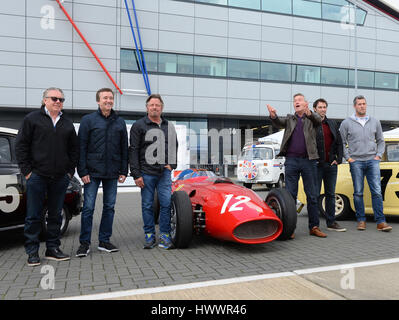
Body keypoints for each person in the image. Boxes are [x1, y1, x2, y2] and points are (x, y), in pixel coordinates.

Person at [15, 87, 79, 266]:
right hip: (37, 176)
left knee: (55, 216)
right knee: (33, 215)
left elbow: (74, 149)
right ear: (45, 100)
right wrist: (27, 171)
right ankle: (32, 252)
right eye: (54, 99)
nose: (58, 102)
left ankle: (53, 248)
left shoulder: (66, 123)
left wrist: (69, 172)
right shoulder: (32, 119)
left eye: (61, 99)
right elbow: (21, 146)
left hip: (60, 178)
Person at [76, 88, 128, 257]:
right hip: (91, 172)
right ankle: (84, 243)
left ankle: (104, 241)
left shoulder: (119, 122)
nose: (108, 100)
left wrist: (123, 170)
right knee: (89, 208)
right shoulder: (88, 120)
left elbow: (124, 149)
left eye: (111, 98)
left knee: (109, 207)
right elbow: (81, 147)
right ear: (98, 101)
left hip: (112, 172)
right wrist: (82, 170)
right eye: (105, 98)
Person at [267, 93, 326, 238]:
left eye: (299, 100)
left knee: (312, 195)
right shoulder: (290, 119)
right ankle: (290, 228)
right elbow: (278, 122)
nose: (296, 102)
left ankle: (314, 227)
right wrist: (273, 116)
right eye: (295, 101)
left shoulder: (312, 119)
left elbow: (318, 119)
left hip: (309, 161)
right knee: (290, 196)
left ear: (306, 103)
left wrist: (309, 113)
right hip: (292, 161)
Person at [129, 94, 178, 249]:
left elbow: (174, 146)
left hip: (164, 173)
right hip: (146, 173)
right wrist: (136, 174)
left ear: (161, 107)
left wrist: (172, 164)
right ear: (147, 107)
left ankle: (164, 235)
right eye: (152, 105)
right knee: (147, 205)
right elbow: (134, 150)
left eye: (157, 105)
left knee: (166, 203)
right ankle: (149, 235)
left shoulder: (168, 126)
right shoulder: (139, 126)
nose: (154, 107)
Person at [339, 95, 392, 232]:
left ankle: (381, 222)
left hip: (372, 161)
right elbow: (341, 142)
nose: (362, 106)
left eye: (364, 104)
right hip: (356, 161)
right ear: (354, 106)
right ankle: (361, 220)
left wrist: (379, 155)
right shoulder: (346, 123)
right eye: (359, 104)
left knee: (377, 192)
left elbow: (381, 140)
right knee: (358, 192)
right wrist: (348, 158)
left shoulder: (374, 121)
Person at [313, 98, 346, 232]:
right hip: (316, 165)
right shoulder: (311, 124)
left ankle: (331, 222)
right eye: (320, 107)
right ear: (314, 109)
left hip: (331, 165)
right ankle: (314, 225)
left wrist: (338, 159)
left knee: (331, 194)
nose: (322, 109)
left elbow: (339, 142)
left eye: (324, 107)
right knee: (314, 195)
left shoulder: (332, 123)